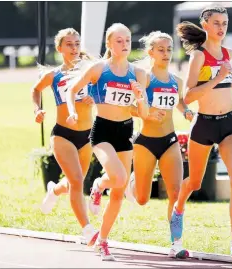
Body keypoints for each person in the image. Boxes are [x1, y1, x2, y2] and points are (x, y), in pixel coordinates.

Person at [174, 6, 232, 259]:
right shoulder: (198, 56)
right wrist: (216, 77)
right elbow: (189, 96)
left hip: (230, 122)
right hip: (204, 124)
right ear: (205, 25)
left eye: (225, 23)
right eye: (217, 23)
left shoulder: (227, 53)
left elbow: (226, 79)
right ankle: (178, 208)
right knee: (195, 183)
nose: (222, 27)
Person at [66, 23, 149, 261]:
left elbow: (142, 113)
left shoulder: (139, 74)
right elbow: (72, 90)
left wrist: (140, 96)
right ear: (109, 44)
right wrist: (73, 111)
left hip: (125, 132)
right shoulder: (99, 69)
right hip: (102, 131)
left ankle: (102, 240)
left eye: (128, 40)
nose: (125, 45)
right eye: (119, 41)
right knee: (120, 178)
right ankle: (99, 185)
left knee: (119, 191)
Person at [122, 31, 194, 259]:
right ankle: (130, 182)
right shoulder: (144, 78)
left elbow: (180, 102)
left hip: (170, 141)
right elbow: (128, 107)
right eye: (161, 50)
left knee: (175, 191)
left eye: (169, 49)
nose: (166, 54)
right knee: (142, 199)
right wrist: (147, 113)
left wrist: (188, 111)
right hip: (145, 143)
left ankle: (176, 243)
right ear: (150, 52)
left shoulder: (177, 80)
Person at [32, 28, 99, 248]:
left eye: (77, 44)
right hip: (62, 134)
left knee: (73, 183)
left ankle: (55, 189)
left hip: (87, 135)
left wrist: (94, 98)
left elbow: (103, 92)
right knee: (78, 182)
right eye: (69, 44)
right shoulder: (53, 75)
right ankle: (88, 230)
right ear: (59, 48)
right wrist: (37, 110)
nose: (74, 48)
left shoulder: (90, 71)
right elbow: (36, 90)